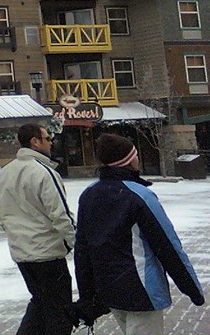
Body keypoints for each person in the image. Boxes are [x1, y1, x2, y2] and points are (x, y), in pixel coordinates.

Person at [74, 133, 204, 334]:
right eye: (135, 155)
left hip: (109, 289)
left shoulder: (89, 194)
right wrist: (192, 289)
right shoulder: (140, 196)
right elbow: (168, 246)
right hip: (142, 289)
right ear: (128, 161)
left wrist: (87, 295)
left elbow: (82, 249)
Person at [0, 123, 76, 335]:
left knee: (39, 304)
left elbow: (1, 212)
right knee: (59, 312)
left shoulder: (5, 172)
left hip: (22, 254)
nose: (51, 143)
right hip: (48, 254)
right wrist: (77, 243)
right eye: (48, 139)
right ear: (35, 142)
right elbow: (61, 214)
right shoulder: (44, 172)